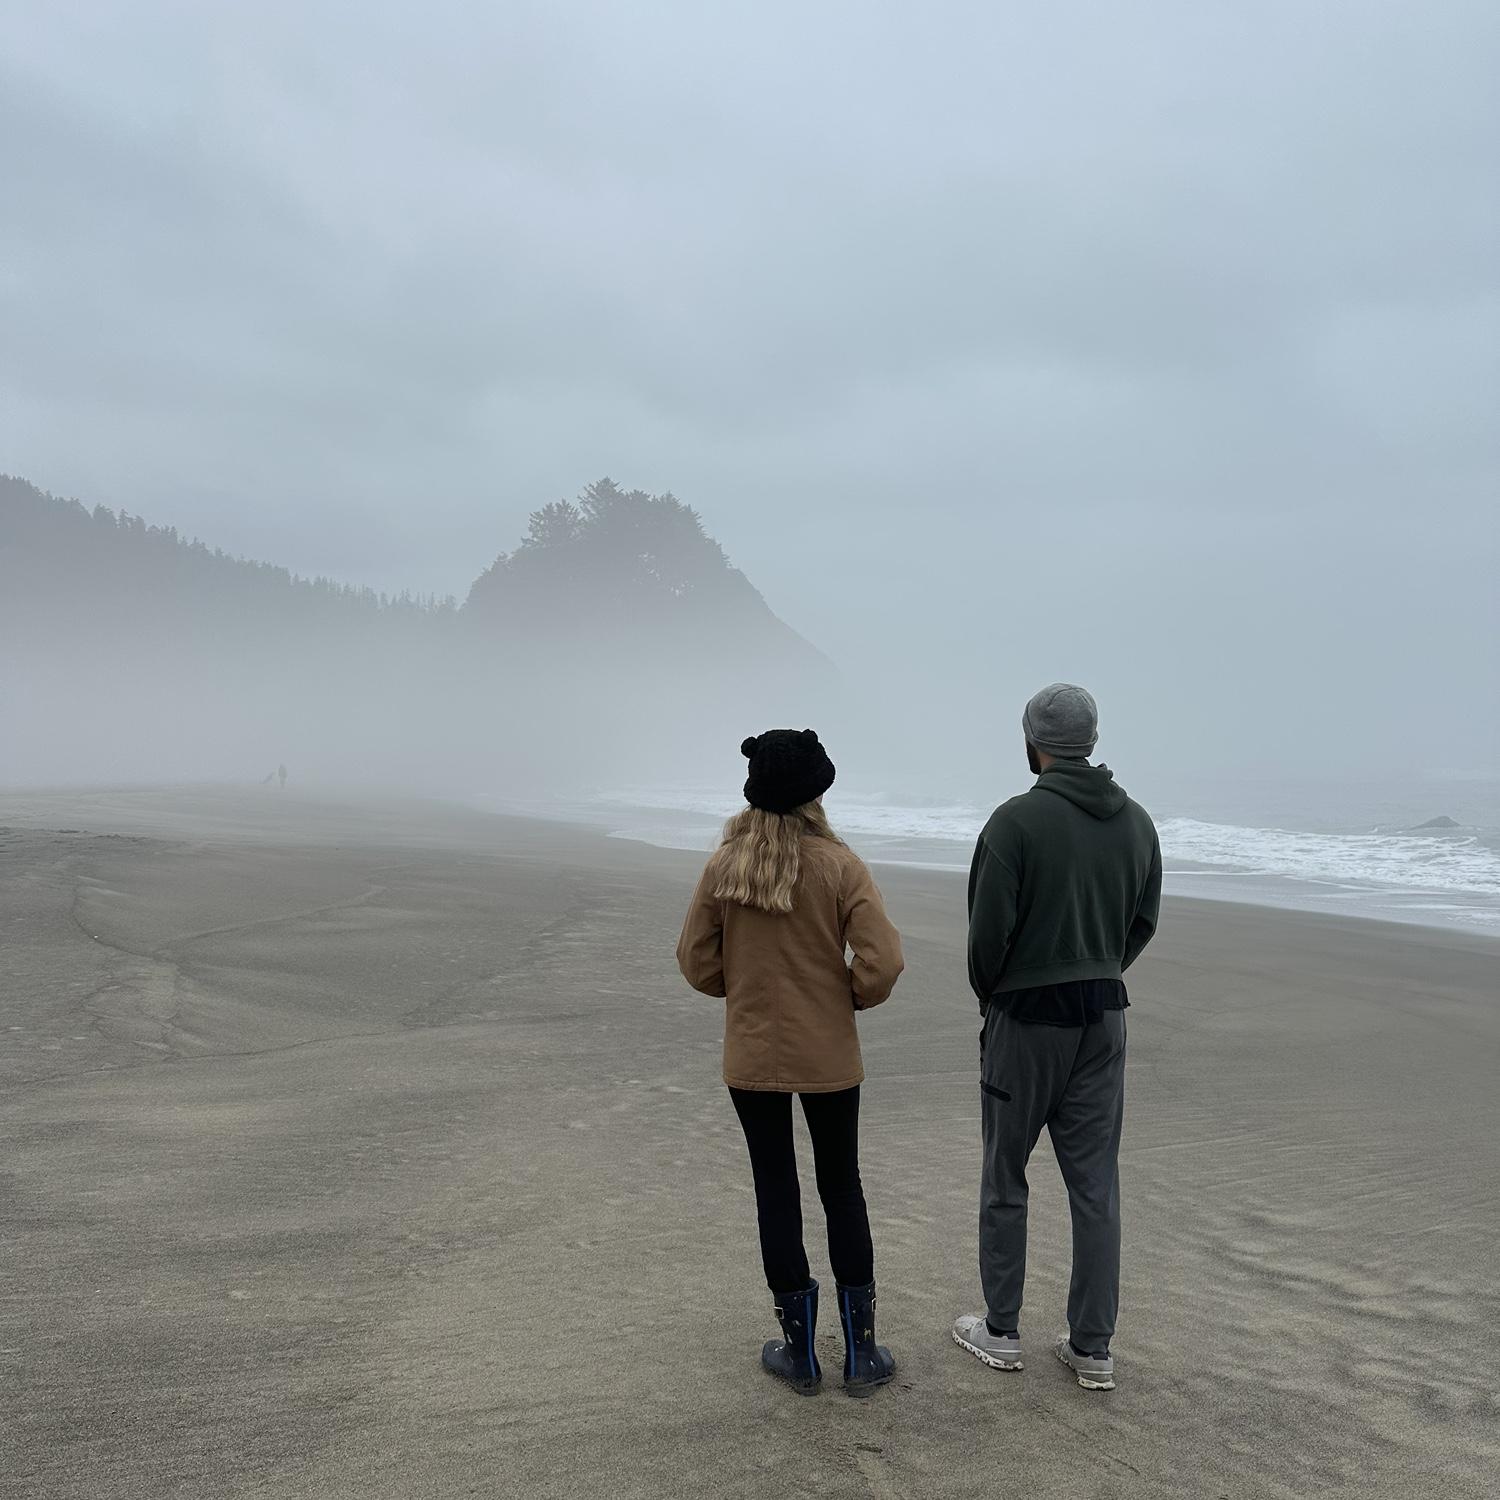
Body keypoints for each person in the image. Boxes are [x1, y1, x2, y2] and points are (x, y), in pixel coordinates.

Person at [677, 729, 905, 1397]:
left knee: (775, 1189)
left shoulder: (725, 865)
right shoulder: (839, 864)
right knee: (842, 1188)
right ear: (817, 791)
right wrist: (848, 998)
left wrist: (743, 991)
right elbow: (883, 962)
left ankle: (800, 1353)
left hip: (752, 1052)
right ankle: (860, 1355)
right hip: (829, 1051)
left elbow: (695, 961)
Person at [952, 684, 1161, 1392]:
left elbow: (986, 936)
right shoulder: (1137, 823)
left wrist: (999, 994)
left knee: (1004, 1172)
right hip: (1105, 1014)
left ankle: (1003, 1329)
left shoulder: (1014, 823)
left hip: (1028, 1017)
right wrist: (1096, 968)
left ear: (1031, 741)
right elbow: (1141, 923)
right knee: (1096, 1182)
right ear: (1093, 742)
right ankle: (1093, 1345)